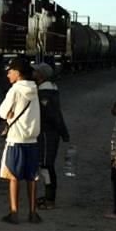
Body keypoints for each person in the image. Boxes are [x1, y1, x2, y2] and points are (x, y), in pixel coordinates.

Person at [0, 57, 41, 224]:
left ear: (18, 72)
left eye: (10, 71)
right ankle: (33, 212)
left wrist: (8, 114)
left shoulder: (15, 90)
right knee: (32, 177)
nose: (8, 74)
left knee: (14, 176)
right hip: (32, 139)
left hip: (16, 138)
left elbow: (2, 112)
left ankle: (14, 212)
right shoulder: (35, 90)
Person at [34, 63, 70, 210]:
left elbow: (52, 116)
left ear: (41, 75)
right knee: (47, 166)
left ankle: (50, 199)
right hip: (50, 133)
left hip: (46, 133)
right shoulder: (52, 90)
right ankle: (49, 197)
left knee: (45, 166)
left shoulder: (45, 94)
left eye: (35, 72)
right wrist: (63, 132)